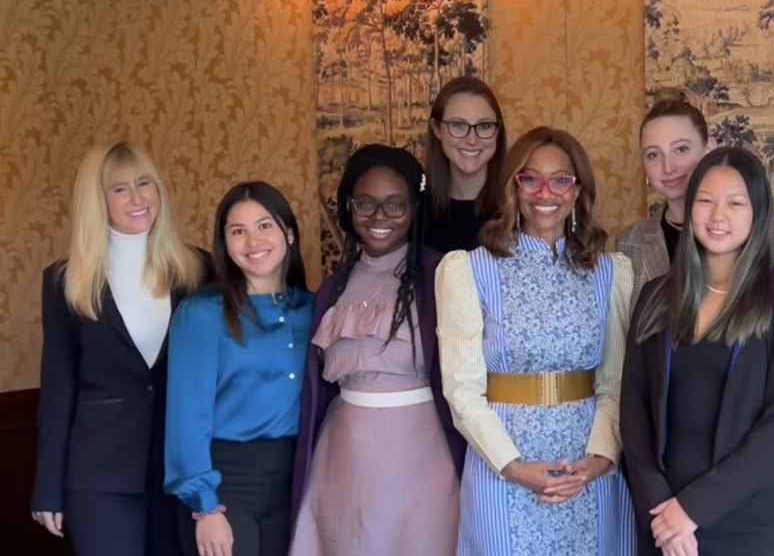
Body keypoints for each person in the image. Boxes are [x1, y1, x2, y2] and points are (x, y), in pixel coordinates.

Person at [435, 126, 635, 555]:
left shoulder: (611, 272)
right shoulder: (469, 271)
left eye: (561, 179)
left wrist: (599, 460)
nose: (546, 192)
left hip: (588, 468)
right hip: (503, 464)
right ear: (514, 186)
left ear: (578, 190)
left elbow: (615, 384)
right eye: (531, 178)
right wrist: (514, 467)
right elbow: (462, 389)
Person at [621, 147, 774, 556]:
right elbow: (633, 411)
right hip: (662, 518)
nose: (717, 216)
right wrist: (663, 514)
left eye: (735, 203)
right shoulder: (655, 296)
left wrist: (692, 509)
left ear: (758, 213)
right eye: (705, 201)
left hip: (746, 518)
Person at [32, 141, 207, 556]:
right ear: (98, 200)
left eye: (145, 183)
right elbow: (58, 387)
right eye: (120, 188)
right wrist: (47, 487)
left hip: (180, 474)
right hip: (99, 477)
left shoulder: (198, 269)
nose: (138, 197)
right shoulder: (65, 281)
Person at [290, 145, 464, 555]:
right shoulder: (334, 287)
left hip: (423, 459)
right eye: (365, 204)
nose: (379, 217)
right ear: (349, 206)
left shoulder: (444, 275)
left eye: (395, 205)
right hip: (343, 461)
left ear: (415, 208)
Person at [165, 182, 312, 556]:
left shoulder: (314, 309)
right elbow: (187, 419)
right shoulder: (201, 314)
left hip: (295, 479)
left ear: (289, 234)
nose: (253, 241)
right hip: (227, 483)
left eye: (265, 226)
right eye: (237, 231)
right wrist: (206, 507)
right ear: (225, 245)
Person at [616, 97, 774, 308]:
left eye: (681, 149)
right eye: (653, 155)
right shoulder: (630, 243)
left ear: (709, 150)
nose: (668, 167)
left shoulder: (766, 225)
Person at [423, 76, 508, 253]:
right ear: (437, 128)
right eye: (458, 125)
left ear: (497, 131)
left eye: (484, 126)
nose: (471, 139)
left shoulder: (518, 207)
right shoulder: (417, 209)